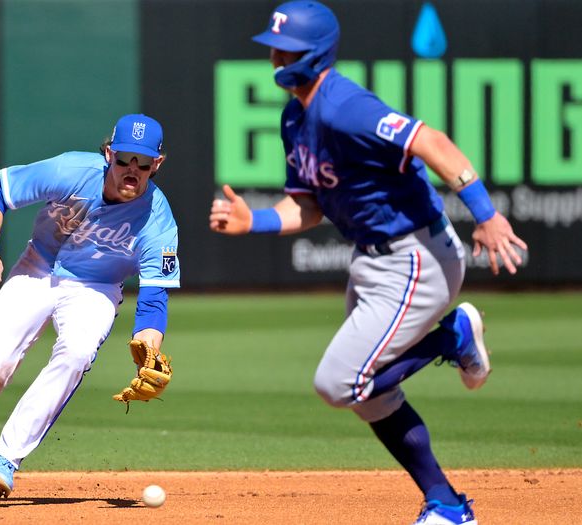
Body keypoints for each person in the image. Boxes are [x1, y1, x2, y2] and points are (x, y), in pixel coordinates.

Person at [208, 3, 527, 524]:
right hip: (372, 264)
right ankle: (446, 504)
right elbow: (308, 206)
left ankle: (452, 336)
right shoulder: (295, 116)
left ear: (314, 54)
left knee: (338, 384)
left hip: (416, 257)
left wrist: (486, 215)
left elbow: (432, 142)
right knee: (369, 396)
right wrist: (255, 222)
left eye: (285, 48)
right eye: (273, 45)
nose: (274, 55)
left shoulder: (345, 107)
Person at [0, 113, 180, 503]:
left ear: (157, 165)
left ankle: (6, 458)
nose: (132, 170)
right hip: (36, 268)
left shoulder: (158, 221)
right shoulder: (71, 170)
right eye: (124, 158)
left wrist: (149, 348)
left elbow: (155, 297)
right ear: (109, 153)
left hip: (96, 288)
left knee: (76, 353)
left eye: (143, 162)